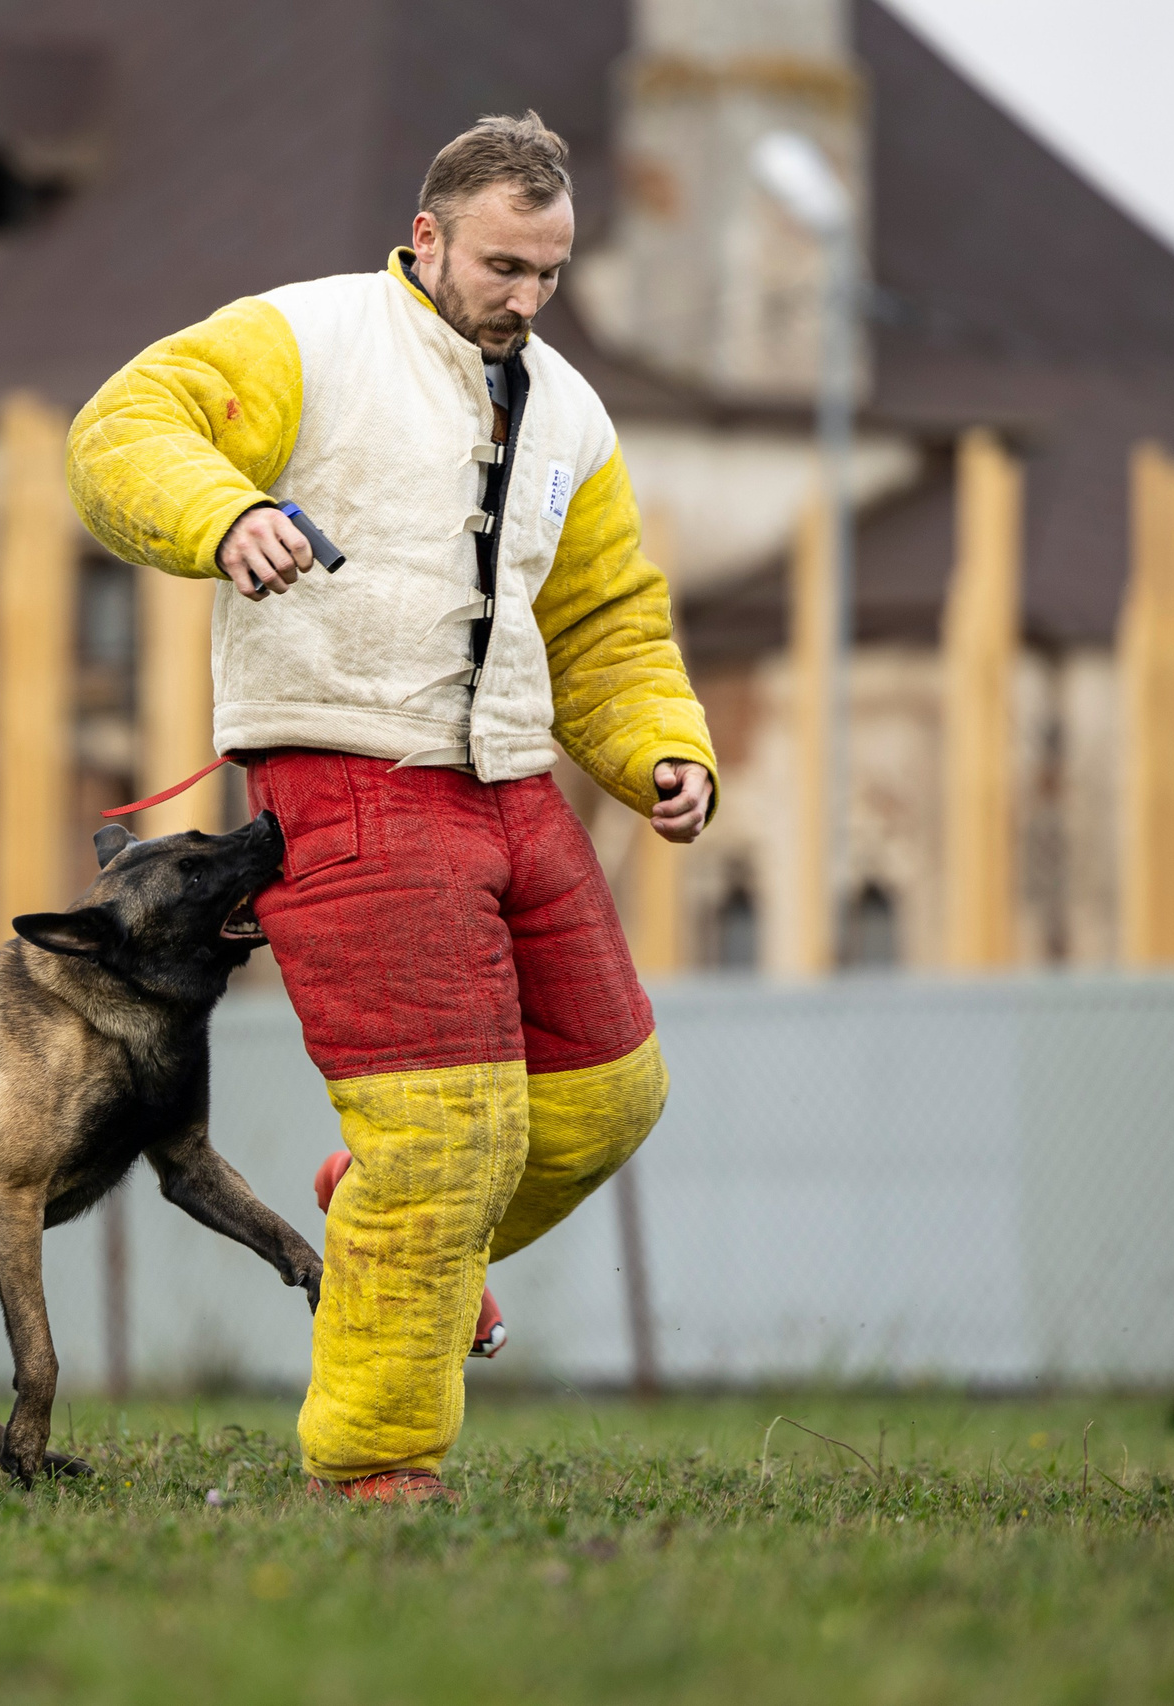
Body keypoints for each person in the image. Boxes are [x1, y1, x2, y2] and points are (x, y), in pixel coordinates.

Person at [68, 113, 716, 1502]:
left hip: (514, 780)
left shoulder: (572, 410)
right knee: (446, 1137)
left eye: (549, 272)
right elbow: (123, 429)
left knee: (610, 1098)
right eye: (501, 266)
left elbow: (603, 615)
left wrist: (664, 749)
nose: (526, 300)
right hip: (346, 775)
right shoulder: (303, 340)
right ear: (427, 237)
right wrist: (223, 516)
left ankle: (394, 1237)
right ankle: (375, 1467)